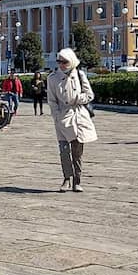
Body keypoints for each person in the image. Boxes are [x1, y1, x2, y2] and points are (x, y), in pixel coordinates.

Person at [47, 47, 96, 192]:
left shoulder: (80, 75)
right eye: (59, 61)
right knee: (63, 151)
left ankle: (77, 180)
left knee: (77, 151)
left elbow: (89, 94)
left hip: (78, 116)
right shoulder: (53, 78)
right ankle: (66, 178)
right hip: (62, 118)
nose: (61, 64)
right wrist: (56, 116)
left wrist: (78, 98)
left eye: (64, 61)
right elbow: (51, 100)